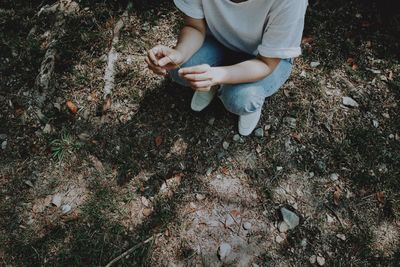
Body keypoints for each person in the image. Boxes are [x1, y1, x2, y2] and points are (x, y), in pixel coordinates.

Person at [145, 0, 308, 136]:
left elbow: (266, 63)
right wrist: (179, 53)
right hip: (218, 40)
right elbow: (194, 27)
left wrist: (218, 74)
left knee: (242, 99)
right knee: (179, 69)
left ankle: (219, 82)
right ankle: (212, 80)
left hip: (264, 57)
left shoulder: (290, 2)